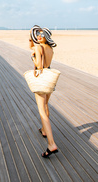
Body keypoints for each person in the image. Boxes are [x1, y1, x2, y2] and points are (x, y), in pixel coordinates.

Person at [29, 25, 59, 158]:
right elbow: (46, 63)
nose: (39, 36)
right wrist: (31, 39)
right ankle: (43, 130)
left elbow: (39, 66)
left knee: (42, 111)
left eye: (42, 35)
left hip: (41, 79)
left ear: (46, 37)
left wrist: (33, 57)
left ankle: (51, 144)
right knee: (46, 105)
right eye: (38, 35)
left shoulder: (38, 47)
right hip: (49, 78)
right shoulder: (49, 48)